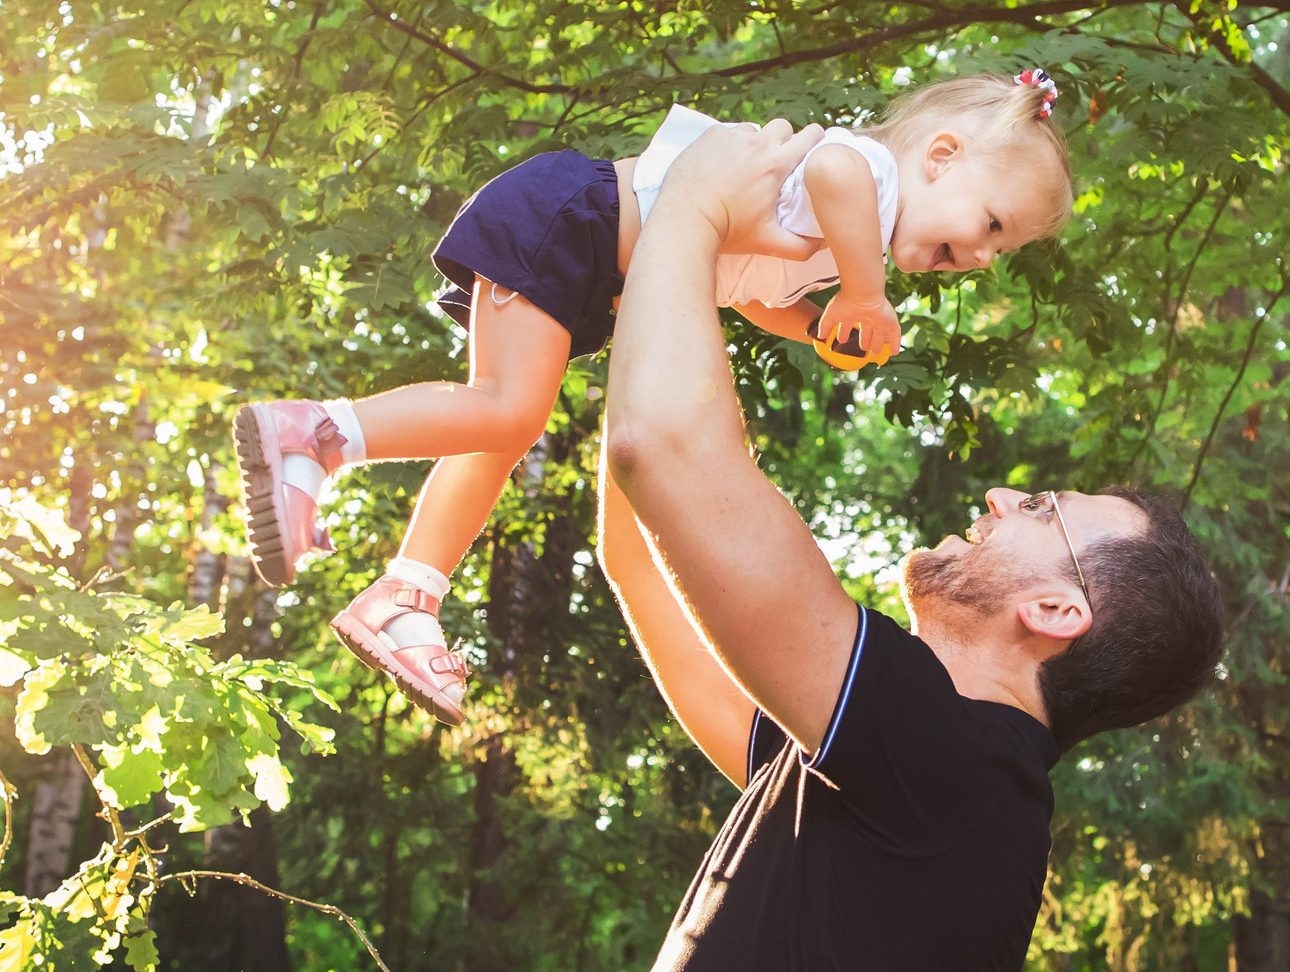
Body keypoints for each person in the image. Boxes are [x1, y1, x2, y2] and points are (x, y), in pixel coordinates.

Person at [542, 118, 1225, 972]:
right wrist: (676, 285)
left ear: (1056, 610)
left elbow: (666, 451)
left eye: (1042, 511)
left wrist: (696, 204)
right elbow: (643, 549)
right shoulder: (865, 771)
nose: (1006, 496)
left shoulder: (959, 768)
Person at [233, 72, 1076, 724]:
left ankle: (407, 594)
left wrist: (818, 320)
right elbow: (834, 169)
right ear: (940, 157)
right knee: (506, 409)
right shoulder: (869, 178)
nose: (983, 258)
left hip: (585, 245)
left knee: (496, 426)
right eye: (994, 226)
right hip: (580, 219)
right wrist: (862, 290)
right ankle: (319, 435)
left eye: (1003, 252)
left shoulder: (847, 235)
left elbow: (746, 289)